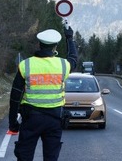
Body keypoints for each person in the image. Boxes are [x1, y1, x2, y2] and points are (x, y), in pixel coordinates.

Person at [8, 26, 77, 161]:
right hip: (55, 120)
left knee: (24, 156)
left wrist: (13, 123)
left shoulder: (25, 65)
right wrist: (69, 38)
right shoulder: (63, 65)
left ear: (39, 45)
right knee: (51, 158)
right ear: (55, 47)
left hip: (31, 119)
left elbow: (15, 97)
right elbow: (74, 58)